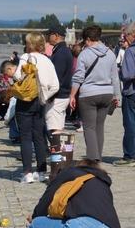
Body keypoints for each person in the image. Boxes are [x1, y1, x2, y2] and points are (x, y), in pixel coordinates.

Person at [69, 25, 120, 161]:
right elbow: (115, 77)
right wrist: (116, 96)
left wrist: (72, 95)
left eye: (85, 40)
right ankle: (98, 156)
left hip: (89, 94)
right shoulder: (110, 53)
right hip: (107, 93)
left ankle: (92, 159)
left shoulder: (84, 54)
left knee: (89, 127)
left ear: (88, 39)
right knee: (99, 126)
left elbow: (78, 77)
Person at [14, 32, 59, 183]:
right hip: (39, 102)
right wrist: (44, 96)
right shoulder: (47, 61)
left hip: (25, 101)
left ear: (30, 44)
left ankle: (27, 172)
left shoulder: (25, 58)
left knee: (25, 137)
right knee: (39, 137)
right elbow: (55, 85)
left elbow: (17, 77)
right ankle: (41, 171)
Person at [114, 22, 135, 166]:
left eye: (126, 35)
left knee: (130, 124)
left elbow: (128, 74)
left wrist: (120, 71)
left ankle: (129, 155)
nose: (124, 38)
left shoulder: (130, 51)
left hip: (131, 92)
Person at [45, 25, 73, 134]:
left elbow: (57, 78)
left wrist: (50, 95)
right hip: (62, 94)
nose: (47, 37)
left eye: (49, 34)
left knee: (54, 127)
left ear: (56, 36)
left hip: (58, 96)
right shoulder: (63, 50)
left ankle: (56, 150)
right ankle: (58, 149)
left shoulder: (60, 53)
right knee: (58, 125)